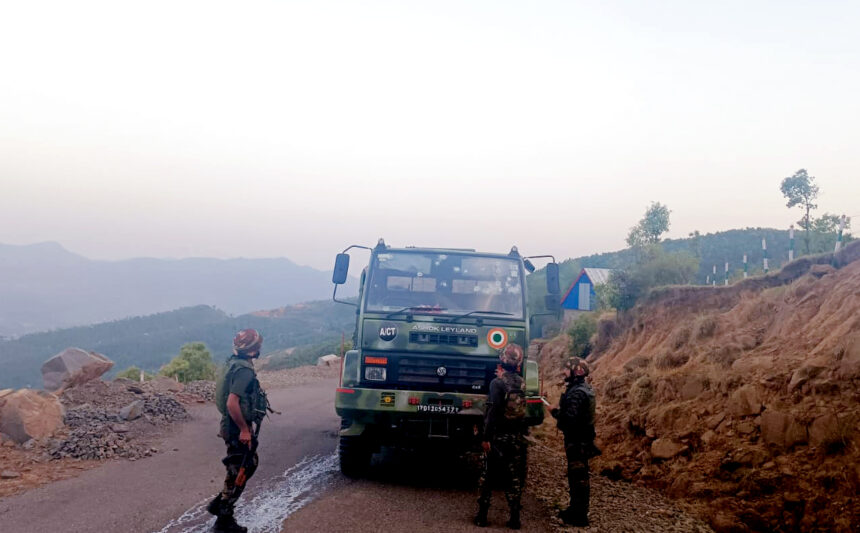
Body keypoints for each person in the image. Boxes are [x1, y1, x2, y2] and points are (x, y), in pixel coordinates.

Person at [208, 329, 266, 533]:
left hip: (231, 424)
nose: (260, 348)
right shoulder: (244, 371)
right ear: (252, 350)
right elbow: (232, 403)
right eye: (258, 345)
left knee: (242, 466)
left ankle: (220, 503)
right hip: (235, 426)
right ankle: (223, 520)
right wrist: (244, 430)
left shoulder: (234, 362)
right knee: (241, 468)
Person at [475, 343, 528, 530]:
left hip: (498, 437)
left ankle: (482, 516)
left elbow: (492, 412)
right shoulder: (521, 382)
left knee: (488, 476)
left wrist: (485, 438)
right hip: (516, 437)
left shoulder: (496, 383)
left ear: (502, 361)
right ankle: (514, 518)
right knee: (514, 478)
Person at [550, 357, 597, 527]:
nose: (564, 372)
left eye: (567, 369)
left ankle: (579, 516)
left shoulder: (577, 392)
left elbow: (570, 419)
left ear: (576, 371)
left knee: (578, 478)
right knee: (578, 477)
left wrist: (554, 412)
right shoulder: (583, 389)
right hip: (582, 440)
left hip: (577, 441)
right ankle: (575, 510)